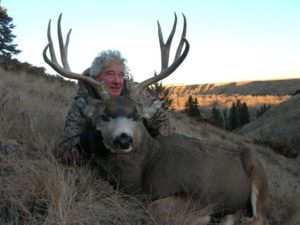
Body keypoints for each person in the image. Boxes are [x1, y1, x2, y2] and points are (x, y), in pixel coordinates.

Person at [56, 49, 170, 165]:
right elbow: (63, 155)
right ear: (95, 78)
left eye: (120, 75)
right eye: (110, 74)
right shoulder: (84, 103)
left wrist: (154, 146)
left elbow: (161, 121)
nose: (117, 81)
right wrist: (85, 144)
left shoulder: (135, 93)